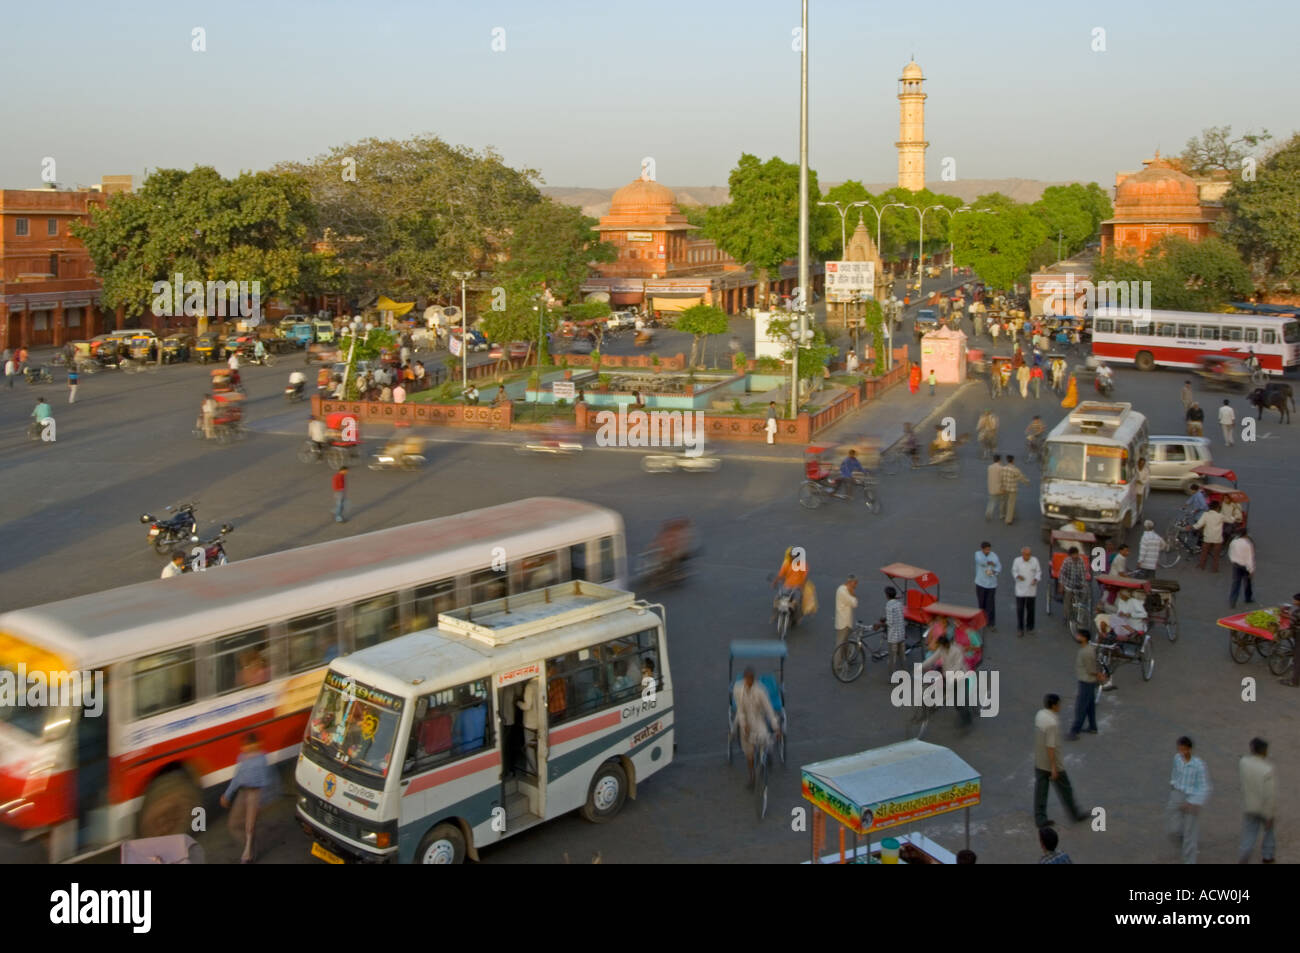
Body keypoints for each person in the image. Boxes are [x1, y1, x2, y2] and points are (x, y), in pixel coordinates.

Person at [1034, 694, 1088, 827]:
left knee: (1041, 791)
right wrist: (1053, 767)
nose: (1060, 707)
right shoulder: (1052, 723)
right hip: (1053, 764)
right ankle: (1075, 814)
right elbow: (1050, 746)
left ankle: (1040, 818)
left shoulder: (1040, 714)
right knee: (1066, 789)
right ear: (1053, 705)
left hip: (1039, 761)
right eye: (1058, 704)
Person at [220, 733, 274, 863]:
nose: (244, 748)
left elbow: (265, 780)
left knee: (249, 826)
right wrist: (227, 795)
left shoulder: (261, 759)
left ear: (254, 745)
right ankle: (250, 845)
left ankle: (248, 853)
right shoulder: (242, 757)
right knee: (233, 824)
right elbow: (237, 778)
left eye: (246, 745)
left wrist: (263, 800)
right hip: (243, 792)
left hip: (255, 794)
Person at [733, 667, 781, 788]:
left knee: (765, 739)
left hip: (758, 720)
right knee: (749, 753)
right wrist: (744, 725)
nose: (749, 682)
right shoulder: (738, 689)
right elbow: (740, 710)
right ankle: (752, 777)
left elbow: (769, 709)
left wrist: (776, 727)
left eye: (751, 680)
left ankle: (768, 753)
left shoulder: (761, 690)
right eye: (747, 679)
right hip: (746, 721)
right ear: (744, 679)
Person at [1168, 736, 1210, 864]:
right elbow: (1175, 773)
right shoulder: (1177, 759)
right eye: (1179, 749)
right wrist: (1173, 784)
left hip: (1191, 799)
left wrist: (1194, 802)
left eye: (1184, 749)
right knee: (1173, 829)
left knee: (1190, 834)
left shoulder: (1198, 765)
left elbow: (1204, 787)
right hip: (1177, 794)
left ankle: (1190, 860)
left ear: (1189, 749)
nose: (1181, 752)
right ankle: (1184, 841)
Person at [1238, 738, 1275, 864]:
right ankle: (1267, 857)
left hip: (1250, 806)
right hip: (1264, 808)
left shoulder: (1244, 763)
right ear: (1264, 752)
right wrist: (1269, 815)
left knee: (1249, 836)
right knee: (1269, 833)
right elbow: (1270, 795)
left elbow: (1242, 759)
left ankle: (1243, 858)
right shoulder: (1267, 769)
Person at [772, 547, 808, 626]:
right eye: (791, 556)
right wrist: (775, 582)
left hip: (796, 587)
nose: (792, 557)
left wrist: (802, 586)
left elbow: (804, 577)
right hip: (787, 586)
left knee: (796, 602)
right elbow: (781, 575)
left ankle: (797, 618)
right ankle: (775, 614)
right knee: (777, 600)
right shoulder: (787, 564)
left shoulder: (802, 565)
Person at [1012, 546, 1041, 637]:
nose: (1028, 557)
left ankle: (1030, 627)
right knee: (1020, 610)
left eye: (1029, 555)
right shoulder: (1017, 561)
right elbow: (1014, 571)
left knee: (1031, 610)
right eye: (1026, 555)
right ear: (1022, 554)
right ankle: (1020, 629)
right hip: (1020, 590)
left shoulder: (1035, 561)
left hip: (1031, 590)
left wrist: (1036, 579)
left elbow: (1038, 572)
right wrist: (1017, 576)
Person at [974, 542, 1001, 632]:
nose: (988, 551)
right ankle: (981, 621)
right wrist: (989, 563)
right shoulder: (978, 554)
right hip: (980, 582)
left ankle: (991, 623)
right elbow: (981, 562)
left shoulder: (994, 555)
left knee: (991, 604)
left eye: (989, 549)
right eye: (986, 549)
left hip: (991, 583)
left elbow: (998, 566)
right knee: (981, 603)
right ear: (982, 549)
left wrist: (994, 571)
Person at [1193, 501, 1226, 572]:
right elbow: (1230, 520)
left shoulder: (1206, 514)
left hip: (1207, 537)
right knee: (1216, 555)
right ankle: (1215, 568)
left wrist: (1192, 527)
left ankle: (1202, 565)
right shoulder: (1221, 516)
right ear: (1217, 508)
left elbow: (1199, 524)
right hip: (1217, 539)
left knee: (1204, 552)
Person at [1228, 531, 1255, 609]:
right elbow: (1250, 558)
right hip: (1245, 565)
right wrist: (1251, 569)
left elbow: (1230, 552)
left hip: (1236, 564)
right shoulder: (1248, 544)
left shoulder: (1234, 542)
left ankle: (1232, 601)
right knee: (1247, 582)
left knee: (1235, 583)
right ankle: (1248, 598)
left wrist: (1232, 560)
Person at [517, 679, 539, 774]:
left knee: (530, 748)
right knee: (539, 746)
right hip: (540, 721)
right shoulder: (541, 682)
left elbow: (527, 706)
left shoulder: (529, 687)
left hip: (530, 723)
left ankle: (532, 771)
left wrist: (518, 703)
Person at [883, 585, 906, 670]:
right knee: (902, 657)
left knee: (892, 658)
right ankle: (905, 673)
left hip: (893, 638)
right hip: (901, 635)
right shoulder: (899, 603)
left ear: (887, 595)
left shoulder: (889, 605)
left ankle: (892, 677)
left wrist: (880, 624)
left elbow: (890, 622)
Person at [1001, 454, 1029, 525]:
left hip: (1005, 488)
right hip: (1012, 489)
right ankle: (1008, 520)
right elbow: (1021, 477)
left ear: (1007, 460)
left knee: (1005, 502)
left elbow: (1000, 478)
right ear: (1013, 460)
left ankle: (1004, 514)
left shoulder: (1003, 468)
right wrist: (1027, 483)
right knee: (1011, 504)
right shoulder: (1015, 469)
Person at [834, 575, 858, 649]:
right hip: (844, 623)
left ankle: (847, 659)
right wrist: (852, 593)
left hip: (846, 622)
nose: (856, 586)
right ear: (850, 582)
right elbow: (854, 603)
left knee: (846, 644)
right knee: (841, 644)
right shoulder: (843, 592)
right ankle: (837, 660)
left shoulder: (842, 589)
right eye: (855, 583)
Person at [985, 454, 1005, 522]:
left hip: (991, 488)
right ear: (999, 460)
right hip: (1000, 488)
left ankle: (989, 513)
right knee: (1002, 502)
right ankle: (1001, 515)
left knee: (991, 501)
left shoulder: (989, 467)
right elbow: (1003, 478)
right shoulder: (1001, 468)